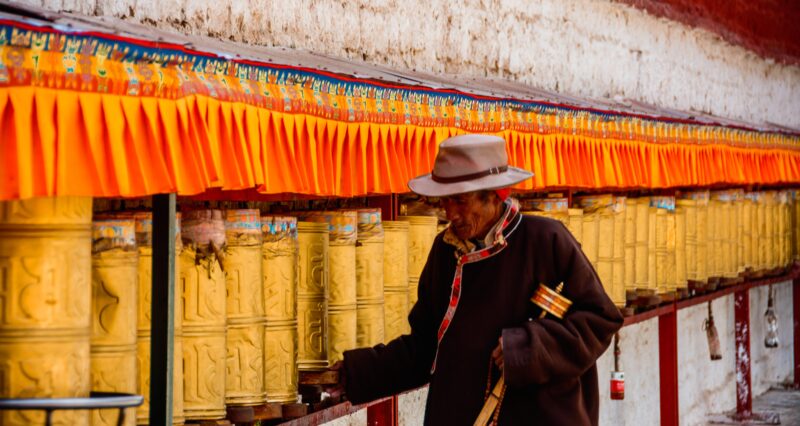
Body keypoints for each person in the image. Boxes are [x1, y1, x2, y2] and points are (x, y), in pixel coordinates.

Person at [332, 134, 623, 425]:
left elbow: (600, 319)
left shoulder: (546, 240)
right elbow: (425, 348)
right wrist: (353, 373)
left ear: (495, 195)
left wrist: (528, 348)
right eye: (445, 201)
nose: (450, 213)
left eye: (460, 200)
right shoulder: (445, 251)